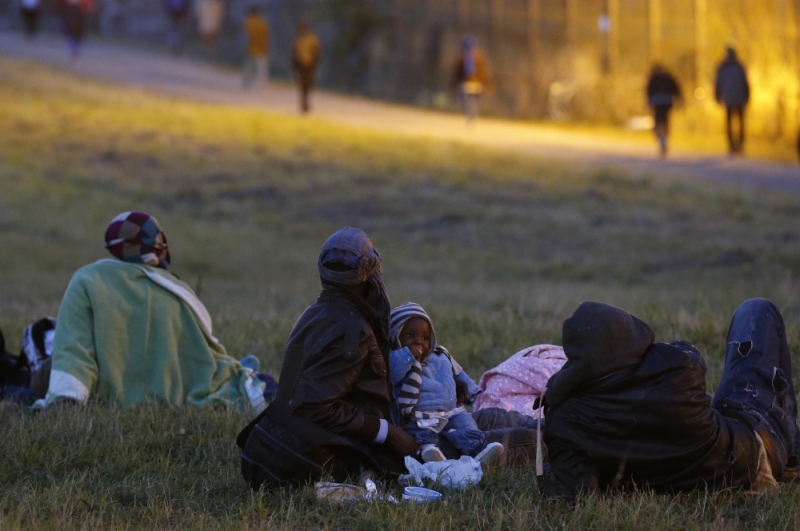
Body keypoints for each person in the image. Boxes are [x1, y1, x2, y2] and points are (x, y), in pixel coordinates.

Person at [541, 298, 800, 500]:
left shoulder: (566, 419)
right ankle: (791, 455)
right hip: (752, 458)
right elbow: (689, 351)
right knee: (756, 309)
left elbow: (576, 492)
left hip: (716, 466)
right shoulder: (677, 367)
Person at [34, 211, 269, 411]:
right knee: (256, 378)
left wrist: (67, 398)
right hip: (177, 387)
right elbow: (203, 349)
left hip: (103, 386)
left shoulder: (87, 279)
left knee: (36, 376)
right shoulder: (177, 289)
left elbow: (74, 349)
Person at [389, 302, 504, 465]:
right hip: (419, 414)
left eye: (425, 338)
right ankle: (430, 451)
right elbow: (392, 374)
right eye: (410, 336)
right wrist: (407, 355)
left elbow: (459, 373)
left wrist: (472, 392)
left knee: (466, 423)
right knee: (421, 430)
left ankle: (477, 449)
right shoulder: (396, 358)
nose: (418, 342)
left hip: (451, 411)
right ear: (395, 336)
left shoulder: (440, 355)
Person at [714, 47, 750, 155]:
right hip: (740, 97)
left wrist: (717, 96)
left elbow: (717, 84)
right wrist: (747, 96)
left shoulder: (722, 67)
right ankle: (740, 143)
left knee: (729, 122)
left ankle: (731, 144)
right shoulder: (740, 66)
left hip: (727, 98)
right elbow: (746, 83)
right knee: (741, 122)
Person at [452, 35, 493, 124]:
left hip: (465, 84)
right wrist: (488, 84)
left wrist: (454, 84)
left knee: (465, 101)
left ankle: (470, 114)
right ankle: (473, 114)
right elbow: (484, 72)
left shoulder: (461, 58)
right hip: (477, 84)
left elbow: (457, 74)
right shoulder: (480, 58)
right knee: (474, 101)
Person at [646, 64, 682, 158]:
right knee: (665, 119)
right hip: (667, 101)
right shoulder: (668, 76)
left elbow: (649, 90)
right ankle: (664, 138)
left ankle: (660, 137)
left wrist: (648, 102)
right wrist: (680, 99)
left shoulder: (653, 78)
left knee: (658, 120)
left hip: (656, 102)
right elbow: (676, 88)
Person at [291, 21, 320, 113]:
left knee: (308, 84)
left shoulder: (311, 39)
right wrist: (294, 63)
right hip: (301, 65)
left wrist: (315, 62)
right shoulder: (298, 39)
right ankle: (304, 102)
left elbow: (316, 50)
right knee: (302, 84)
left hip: (310, 64)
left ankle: (305, 101)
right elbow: (294, 52)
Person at [241, 6, 270, 88]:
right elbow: (267, 35)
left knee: (249, 65)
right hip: (261, 47)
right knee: (262, 66)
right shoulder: (262, 22)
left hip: (251, 46)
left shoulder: (249, 21)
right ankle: (262, 83)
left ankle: (247, 82)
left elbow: (245, 35)